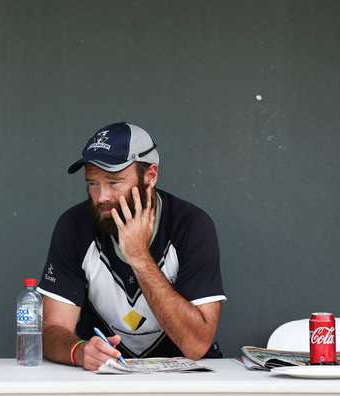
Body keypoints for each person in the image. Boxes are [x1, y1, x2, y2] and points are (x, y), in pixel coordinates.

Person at [37, 122, 226, 371]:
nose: (101, 196)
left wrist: (139, 257)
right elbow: (52, 330)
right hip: (102, 378)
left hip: (183, 380)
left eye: (114, 182)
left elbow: (196, 344)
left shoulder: (190, 225)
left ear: (150, 176)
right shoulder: (74, 225)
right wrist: (80, 352)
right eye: (92, 183)